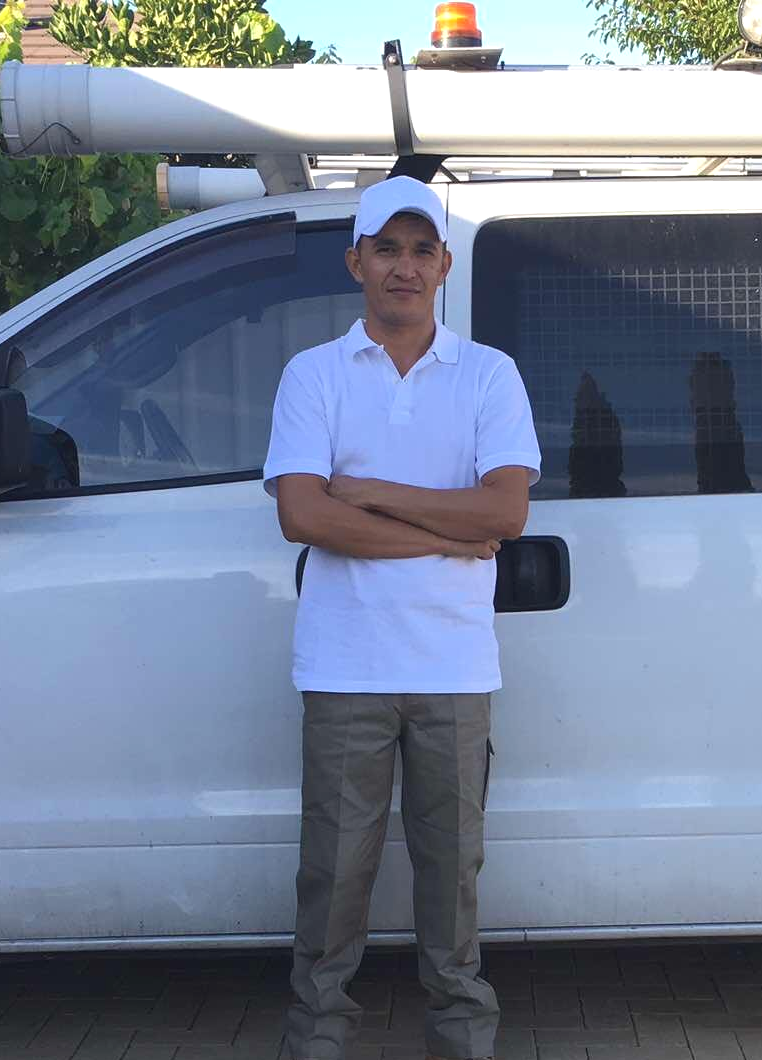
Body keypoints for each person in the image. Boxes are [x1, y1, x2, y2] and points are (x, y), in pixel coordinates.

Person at [263, 175, 542, 1060]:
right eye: (387, 248)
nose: (405, 267)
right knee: (333, 876)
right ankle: (317, 1038)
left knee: (450, 880)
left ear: (445, 265)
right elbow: (304, 516)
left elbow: (504, 515)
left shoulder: (489, 376)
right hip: (345, 670)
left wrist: (376, 495)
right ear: (356, 261)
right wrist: (445, 530)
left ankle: (463, 1039)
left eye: (423, 250)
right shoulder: (313, 375)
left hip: (455, 673)